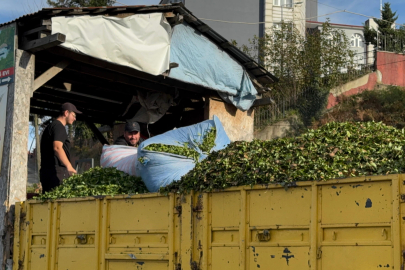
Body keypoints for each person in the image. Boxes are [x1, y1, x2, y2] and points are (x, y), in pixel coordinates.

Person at [39, 102, 82, 193]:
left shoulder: (51, 126)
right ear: (66, 113)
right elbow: (57, 147)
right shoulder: (59, 127)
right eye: (73, 115)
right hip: (56, 173)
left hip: (47, 172)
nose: (75, 119)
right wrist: (69, 167)